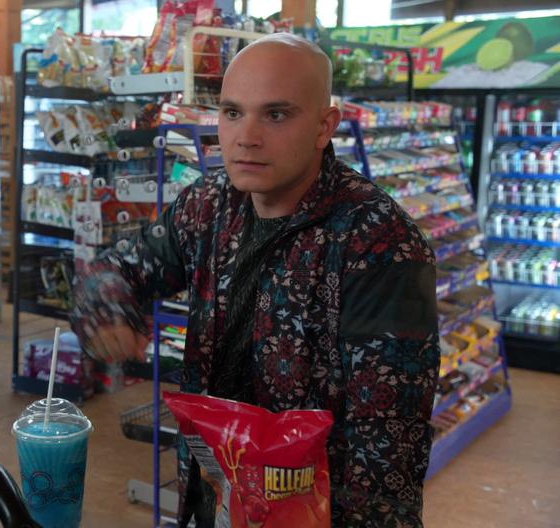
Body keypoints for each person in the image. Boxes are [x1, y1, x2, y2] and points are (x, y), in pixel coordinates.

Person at [71, 33, 440, 527]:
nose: (246, 136)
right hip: (211, 488)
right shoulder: (208, 205)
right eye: (231, 112)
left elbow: (388, 446)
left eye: (276, 114)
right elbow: (115, 269)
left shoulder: (379, 242)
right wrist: (109, 308)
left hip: (309, 510)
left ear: (324, 126)